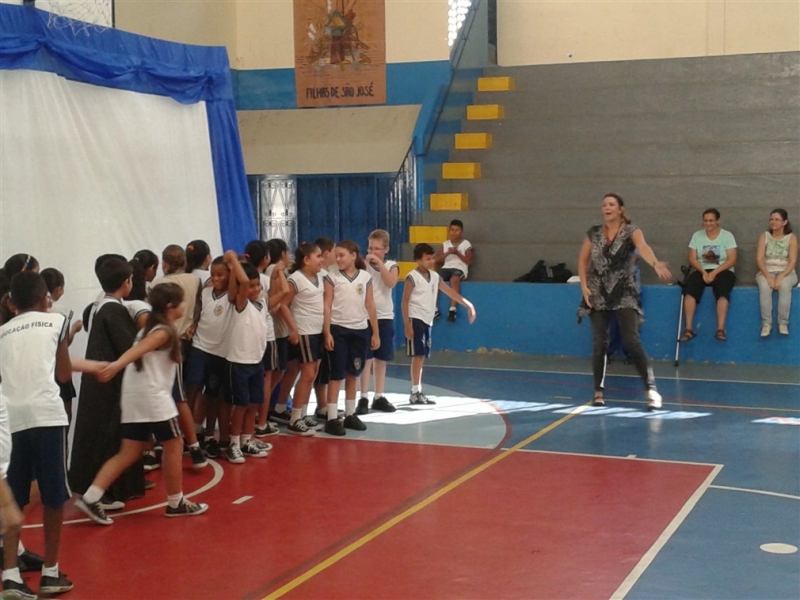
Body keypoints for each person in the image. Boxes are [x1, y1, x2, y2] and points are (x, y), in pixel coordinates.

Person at [0, 272, 102, 596]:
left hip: (11, 419)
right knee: (54, 496)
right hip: (46, 415)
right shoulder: (57, 321)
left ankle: (10, 575)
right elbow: (63, 373)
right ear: (46, 299)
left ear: (11, 303)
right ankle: (50, 571)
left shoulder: (2, 333)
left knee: (13, 498)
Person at [75, 283, 209, 524]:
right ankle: (176, 502)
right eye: (181, 302)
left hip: (134, 398)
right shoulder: (162, 331)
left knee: (129, 451)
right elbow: (139, 350)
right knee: (174, 444)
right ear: (171, 306)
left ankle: (91, 496)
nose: (184, 305)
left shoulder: (147, 328)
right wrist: (115, 366)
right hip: (153, 398)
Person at [577, 193, 672, 409]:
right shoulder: (593, 233)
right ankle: (598, 391)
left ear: (620, 209)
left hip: (624, 291)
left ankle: (651, 390)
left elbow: (643, 248)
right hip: (598, 291)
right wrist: (584, 286)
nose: (607, 207)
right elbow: (583, 261)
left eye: (611, 204)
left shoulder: (631, 231)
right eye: (604, 204)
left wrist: (655, 263)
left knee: (631, 340)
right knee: (600, 343)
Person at [69, 257, 145, 505]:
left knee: (99, 436)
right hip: (111, 383)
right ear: (126, 282)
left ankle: (98, 488)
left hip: (98, 380)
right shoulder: (114, 310)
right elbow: (130, 348)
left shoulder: (97, 306)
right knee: (110, 439)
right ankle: (105, 492)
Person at [151, 245, 207, 468]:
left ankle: (188, 445)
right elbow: (200, 307)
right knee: (179, 395)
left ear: (164, 263)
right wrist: (194, 326)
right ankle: (188, 444)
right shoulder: (195, 281)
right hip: (184, 339)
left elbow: (153, 315)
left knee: (172, 395)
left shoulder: (156, 284)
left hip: (165, 342)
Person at [402, 243, 476, 405]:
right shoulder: (412, 277)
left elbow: (450, 292)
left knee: (422, 356)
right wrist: (407, 324)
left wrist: (468, 304)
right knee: (418, 356)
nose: (431, 261)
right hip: (416, 318)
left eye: (432, 258)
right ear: (418, 260)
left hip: (427, 320)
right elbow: (405, 301)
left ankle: (417, 391)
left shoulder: (435, 277)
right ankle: (415, 391)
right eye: (427, 259)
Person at [322, 241, 379, 435]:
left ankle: (349, 414)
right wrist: (327, 331)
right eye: (336, 255)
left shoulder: (365, 277)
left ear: (353, 255)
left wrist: (375, 332)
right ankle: (331, 417)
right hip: (338, 330)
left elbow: (370, 305)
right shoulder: (332, 277)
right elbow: (327, 305)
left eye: (342, 255)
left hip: (360, 330)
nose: (338, 259)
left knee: (354, 373)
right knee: (336, 374)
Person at [221, 251, 270, 463]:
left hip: (256, 361)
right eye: (251, 286)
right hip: (239, 362)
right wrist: (233, 262)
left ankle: (246, 440)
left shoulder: (262, 303)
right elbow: (242, 282)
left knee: (254, 403)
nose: (256, 289)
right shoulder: (241, 304)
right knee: (240, 405)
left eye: (258, 285)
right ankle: (233, 443)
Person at [277, 243, 326, 435]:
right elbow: (283, 305)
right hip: (305, 331)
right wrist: (294, 329)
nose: (322, 260)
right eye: (318, 256)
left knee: (312, 374)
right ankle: (295, 419)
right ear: (306, 260)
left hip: (317, 331)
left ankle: (302, 413)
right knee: (307, 374)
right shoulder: (296, 279)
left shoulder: (319, 277)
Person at [679, 208, 737, 342]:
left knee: (723, 292)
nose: (708, 223)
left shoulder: (727, 236)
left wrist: (715, 272)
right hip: (702, 270)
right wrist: (703, 272)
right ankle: (688, 329)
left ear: (718, 221)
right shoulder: (696, 236)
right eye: (705, 221)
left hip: (723, 270)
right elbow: (692, 258)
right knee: (690, 290)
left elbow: (732, 259)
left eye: (711, 221)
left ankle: (720, 329)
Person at [357, 229, 399, 414]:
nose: (372, 252)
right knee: (366, 358)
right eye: (370, 248)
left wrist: (380, 264)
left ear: (386, 249)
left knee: (381, 358)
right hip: (365, 316)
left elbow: (391, 282)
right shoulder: (362, 266)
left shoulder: (391, 265)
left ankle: (379, 395)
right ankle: (363, 396)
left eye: (376, 249)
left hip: (384, 316)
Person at [41, 268, 83, 423]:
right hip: (59, 367)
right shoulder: (59, 313)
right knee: (65, 415)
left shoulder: (33, 311)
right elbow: (63, 344)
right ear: (59, 289)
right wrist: (74, 330)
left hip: (43, 370)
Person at [756, 208, 797, 336]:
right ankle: (766, 323)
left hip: (787, 272)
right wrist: (768, 276)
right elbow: (759, 259)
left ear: (784, 222)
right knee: (764, 287)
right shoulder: (764, 236)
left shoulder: (791, 238)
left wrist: (781, 276)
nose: (773, 222)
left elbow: (792, 261)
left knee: (784, 286)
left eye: (777, 219)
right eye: (771, 219)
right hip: (766, 271)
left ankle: (783, 323)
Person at [434, 219, 473, 322]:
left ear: (462, 231)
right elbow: (437, 260)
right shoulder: (445, 244)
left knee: (454, 279)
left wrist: (457, 253)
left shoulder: (466, 244)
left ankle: (452, 309)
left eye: (457, 230)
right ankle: (434, 309)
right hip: (446, 268)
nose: (454, 232)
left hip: (460, 268)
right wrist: (448, 253)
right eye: (452, 230)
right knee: (435, 279)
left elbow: (469, 261)